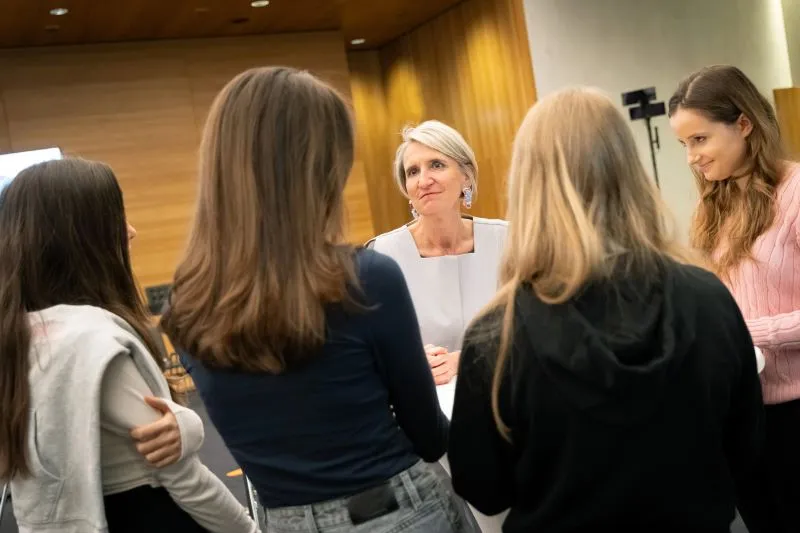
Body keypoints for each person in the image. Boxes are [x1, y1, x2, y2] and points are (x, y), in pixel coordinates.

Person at [447, 87, 770, 533]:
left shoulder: (496, 334)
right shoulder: (707, 297)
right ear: (629, 170)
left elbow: (483, 486)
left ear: (527, 186)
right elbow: (745, 446)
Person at [161, 66, 468, 533]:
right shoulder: (364, 277)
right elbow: (428, 438)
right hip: (393, 512)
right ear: (316, 167)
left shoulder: (187, 302)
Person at [0, 158, 256, 533]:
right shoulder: (94, 341)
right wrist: (249, 530)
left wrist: (187, 424)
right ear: (82, 237)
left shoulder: (17, 339)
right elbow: (185, 481)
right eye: (116, 219)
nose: (131, 232)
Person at [669, 64, 800, 532]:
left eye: (699, 139)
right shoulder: (713, 209)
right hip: (741, 412)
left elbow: (746, 324)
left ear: (744, 124)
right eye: (684, 144)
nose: (691, 158)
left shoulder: (796, 192)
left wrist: (750, 334)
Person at [368, 120, 507, 387]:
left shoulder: (508, 240)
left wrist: (466, 359)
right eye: (412, 171)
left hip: (503, 391)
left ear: (466, 175)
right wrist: (409, 362)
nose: (424, 180)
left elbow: (531, 332)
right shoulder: (382, 255)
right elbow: (373, 348)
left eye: (436, 165)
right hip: (424, 401)